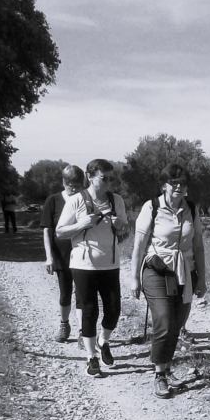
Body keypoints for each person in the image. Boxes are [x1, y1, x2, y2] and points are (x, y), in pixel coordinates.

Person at [130, 162, 207, 399]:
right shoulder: (151, 207)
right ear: (164, 185)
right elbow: (139, 246)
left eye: (183, 183)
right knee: (163, 319)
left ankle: (167, 364)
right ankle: (160, 374)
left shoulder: (191, 209)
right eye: (174, 183)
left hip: (184, 271)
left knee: (177, 322)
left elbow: (198, 246)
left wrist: (202, 279)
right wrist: (134, 278)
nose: (179, 187)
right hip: (157, 270)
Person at [56, 159, 128, 377]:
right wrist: (82, 224)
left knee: (114, 309)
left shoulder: (117, 201)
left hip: (110, 264)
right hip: (83, 265)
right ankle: (91, 358)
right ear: (89, 176)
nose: (108, 183)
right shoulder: (76, 200)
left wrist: (119, 225)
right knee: (89, 311)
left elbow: (124, 227)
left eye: (111, 178)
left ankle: (103, 341)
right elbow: (60, 232)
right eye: (103, 178)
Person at [40, 165, 85, 343]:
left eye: (78, 186)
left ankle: (83, 332)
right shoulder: (53, 200)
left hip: (82, 256)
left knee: (82, 294)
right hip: (61, 254)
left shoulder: (85, 200)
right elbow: (46, 230)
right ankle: (64, 324)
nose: (74, 189)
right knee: (65, 292)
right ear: (63, 183)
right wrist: (49, 256)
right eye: (70, 185)